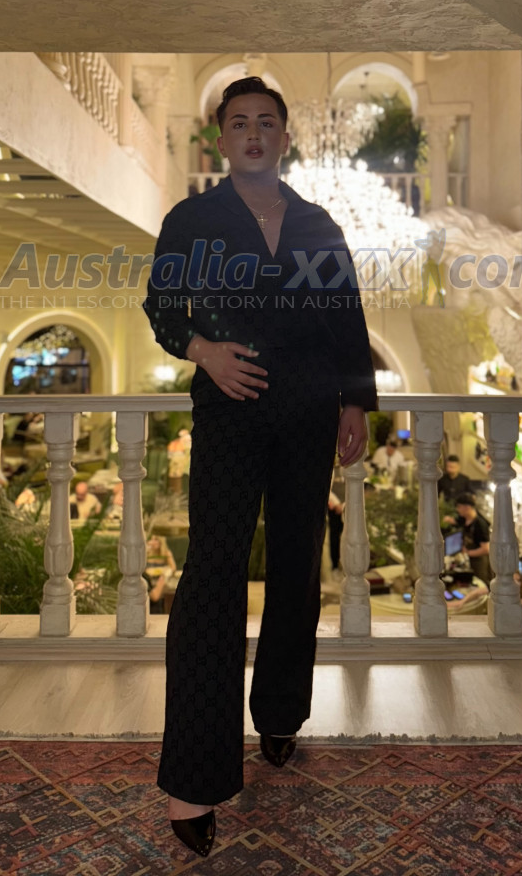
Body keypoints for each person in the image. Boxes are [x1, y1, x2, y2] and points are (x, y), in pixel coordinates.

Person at [143, 76, 377, 857]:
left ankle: (279, 713)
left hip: (310, 412)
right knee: (212, 575)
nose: (252, 132)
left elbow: (346, 317)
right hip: (230, 412)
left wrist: (354, 401)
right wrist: (205, 352)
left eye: (266, 122)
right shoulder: (191, 220)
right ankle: (193, 777)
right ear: (220, 139)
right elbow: (162, 309)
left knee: (297, 565)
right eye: (239, 121)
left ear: (284, 137)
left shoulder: (317, 224)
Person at [452, 493, 493, 586]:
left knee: (480, 585)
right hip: (470, 560)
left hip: (479, 562)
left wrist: (467, 553)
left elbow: (486, 549)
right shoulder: (464, 520)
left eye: (459, 507)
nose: (457, 510)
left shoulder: (480, 524)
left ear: (467, 507)